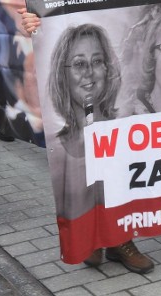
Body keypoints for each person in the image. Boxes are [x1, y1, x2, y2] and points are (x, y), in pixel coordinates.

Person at [20, 0, 161, 274]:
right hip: (97, 87)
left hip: (136, 88)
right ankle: (95, 238)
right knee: (96, 166)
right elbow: (64, 15)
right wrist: (36, 22)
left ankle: (121, 238)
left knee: (127, 167)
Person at [48, 24, 120, 222]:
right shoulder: (55, 147)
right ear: (62, 74)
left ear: (107, 69)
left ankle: (120, 243)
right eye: (79, 64)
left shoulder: (126, 134)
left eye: (97, 61)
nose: (89, 72)